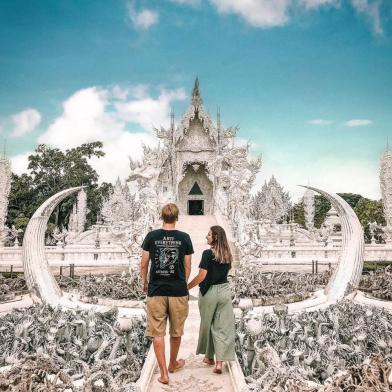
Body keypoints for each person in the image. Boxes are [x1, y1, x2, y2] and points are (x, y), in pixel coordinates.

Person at [140, 203, 193, 385]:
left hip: (156, 290)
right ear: (177, 217)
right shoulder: (184, 238)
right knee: (176, 332)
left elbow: (144, 263)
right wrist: (182, 283)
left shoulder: (152, 236)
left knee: (157, 332)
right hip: (178, 290)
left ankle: (164, 373)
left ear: (161, 217)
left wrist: (144, 282)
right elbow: (188, 266)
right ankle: (172, 364)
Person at [187, 225, 235, 374]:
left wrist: (186, 287)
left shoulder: (208, 254)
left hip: (210, 293)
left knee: (208, 324)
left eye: (209, 235)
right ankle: (217, 362)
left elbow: (202, 276)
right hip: (224, 291)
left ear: (215, 237)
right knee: (221, 327)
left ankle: (209, 357)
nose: (206, 237)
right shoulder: (228, 254)